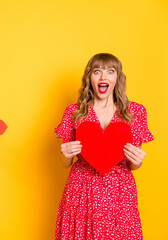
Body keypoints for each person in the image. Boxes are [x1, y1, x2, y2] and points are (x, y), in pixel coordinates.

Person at [54, 53, 153, 239]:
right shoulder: (74, 112)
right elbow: (64, 162)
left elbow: (133, 166)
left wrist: (137, 161)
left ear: (118, 78)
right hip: (82, 187)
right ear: (89, 77)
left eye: (110, 71)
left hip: (120, 191)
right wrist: (66, 153)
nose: (103, 77)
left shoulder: (135, 112)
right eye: (97, 71)